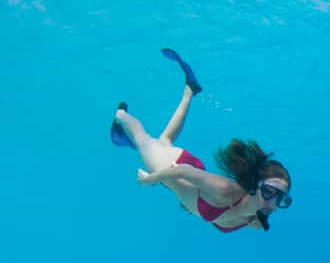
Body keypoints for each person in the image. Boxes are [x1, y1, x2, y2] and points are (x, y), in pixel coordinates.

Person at [111, 48, 292, 232]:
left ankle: (190, 90)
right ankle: (121, 116)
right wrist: (149, 180)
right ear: (256, 185)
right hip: (173, 167)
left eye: (282, 199)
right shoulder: (226, 191)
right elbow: (181, 171)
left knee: (164, 141)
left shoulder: (256, 220)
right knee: (143, 139)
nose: (274, 204)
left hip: (188, 181)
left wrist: (190, 205)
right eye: (270, 191)